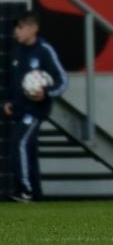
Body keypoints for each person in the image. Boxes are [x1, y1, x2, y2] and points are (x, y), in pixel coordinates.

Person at [2, 11, 68, 202]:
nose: (16, 31)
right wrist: (9, 103)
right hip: (19, 109)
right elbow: (14, 82)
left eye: (20, 27)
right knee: (28, 150)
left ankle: (25, 191)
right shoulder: (18, 50)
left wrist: (46, 92)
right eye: (16, 27)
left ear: (33, 29)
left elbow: (62, 80)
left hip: (35, 110)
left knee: (19, 143)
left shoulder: (44, 50)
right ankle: (36, 193)